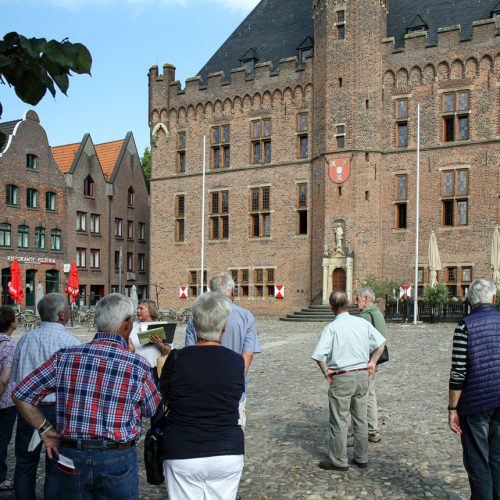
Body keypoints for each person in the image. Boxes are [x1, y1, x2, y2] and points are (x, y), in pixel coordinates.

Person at [12, 293, 160, 500]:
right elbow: (151, 409)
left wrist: (45, 429)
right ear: (127, 323)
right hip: (116, 455)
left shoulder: (65, 357)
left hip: (73, 453)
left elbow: (21, 394)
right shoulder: (136, 364)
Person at [160, 292, 245, 500]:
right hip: (226, 450)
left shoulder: (177, 358)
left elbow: (165, 397)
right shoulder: (236, 361)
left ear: (194, 324)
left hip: (183, 449)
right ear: (224, 326)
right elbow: (234, 396)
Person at [10, 293, 79, 500]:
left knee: (25, 463)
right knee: (56, 465)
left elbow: (15, 377)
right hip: (57, 409)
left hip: (28, 408)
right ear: (62, 315)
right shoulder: (72, 343)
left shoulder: (25, 340)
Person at [312, 290, 385, 471]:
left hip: (342, 377)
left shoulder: (331, 328)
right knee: (360, 419)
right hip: (362, 376)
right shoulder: (361, 323)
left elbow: (319, 355)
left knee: (339, 419)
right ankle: (361, 457)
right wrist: (372, 362)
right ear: (347, 304)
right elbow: (381, 343)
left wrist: (326, 372)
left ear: (331, 307)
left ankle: (338, 460)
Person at [185, 272, 260, 429]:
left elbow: (190, 353)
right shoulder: (246, 316)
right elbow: (248, 354)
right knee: (232, 434)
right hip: (234, 392)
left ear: (210, 291)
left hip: (202, 391)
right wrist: (234, 381)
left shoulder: (195, 316)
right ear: (232, 291)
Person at [448, 279, 500, 499]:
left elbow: (458, 371)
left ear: (469, 301)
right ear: (493, 299)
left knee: (477, 460)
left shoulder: (465, 326)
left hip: (475, 402)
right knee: (497, 458)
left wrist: (453, 408)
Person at [355, 287, 386, 443]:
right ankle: (373, 430)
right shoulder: (377, 313)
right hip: (374, 359)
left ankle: (359, 433)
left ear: (365, 299)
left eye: (357, 299)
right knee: (370, 394)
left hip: (366, 361)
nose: (356, 302)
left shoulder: (365, 316)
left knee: (360, 396)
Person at [128, 299, 171, 383]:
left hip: (155, 369)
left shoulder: (161, 326)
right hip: (137, 367)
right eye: (138, 308)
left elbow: (169, 352)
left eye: (141, 308)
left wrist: (161, 345)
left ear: (150, 311)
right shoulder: (132, 326)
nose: (138, 311)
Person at [0, 306, 18, 491]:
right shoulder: (10, 346)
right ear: (11, 323)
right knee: (1, 441)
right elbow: (4, 379)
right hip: (4, 403)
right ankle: (0, 478)